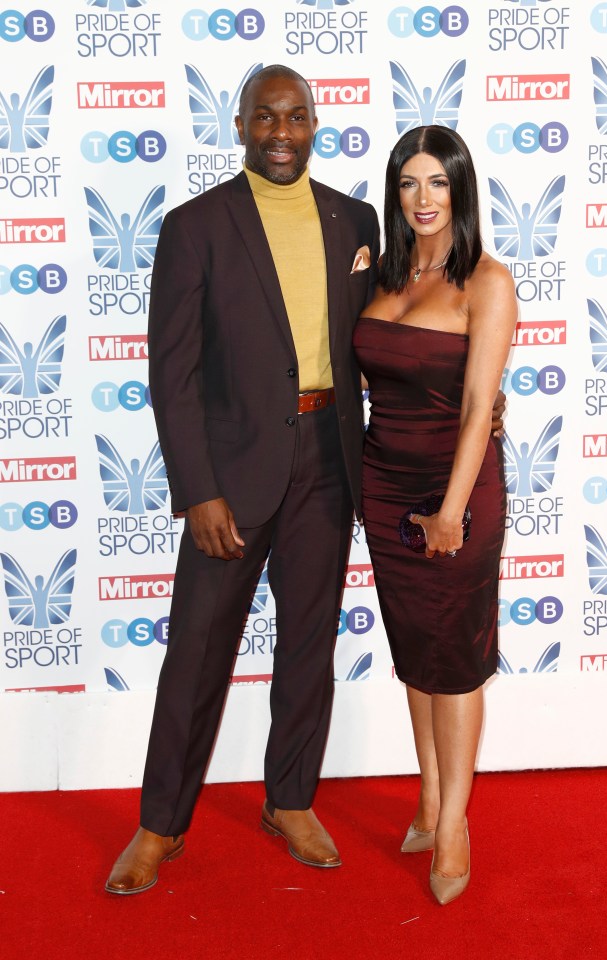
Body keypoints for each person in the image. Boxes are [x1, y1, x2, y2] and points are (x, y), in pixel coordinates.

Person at [105, 64, 382, 894]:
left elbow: (387, 331)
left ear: (314, 124)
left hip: (329, 461)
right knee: (195, 650)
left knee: (308, 642)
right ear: (238, 125)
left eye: (296, 117)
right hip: (232, 469)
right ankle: (160, 824)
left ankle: (289, 801)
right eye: (265, 117)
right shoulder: (196, 226)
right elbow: (173, 371)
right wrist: (198, 489)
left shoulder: (353, 218)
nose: (281, 133)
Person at [353, 126, 517, 905]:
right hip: (381, 485)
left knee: (453, 661)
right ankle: (426, 793)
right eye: (408, 183)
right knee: (414, 649)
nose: (422, 199)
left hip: (455, 489)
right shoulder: (379, 275)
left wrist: (450, 510)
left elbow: (481, 404)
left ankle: (453, 822)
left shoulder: (486, 281)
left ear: (460, 189)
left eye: (437, 183)